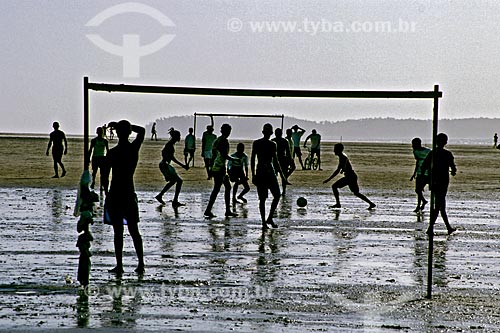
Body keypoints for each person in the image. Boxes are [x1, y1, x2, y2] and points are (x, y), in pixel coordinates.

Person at [101, 120, 145, 275]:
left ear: (118, 133)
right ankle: (141, 264)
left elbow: (105, 176)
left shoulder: (113, 153)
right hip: (128, 192)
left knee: (118, 232)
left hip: (115, 194)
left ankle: (119, 265)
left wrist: (105, 191)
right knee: (134, 230)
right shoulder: (133, 149)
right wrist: (125, 126)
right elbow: (142, 131)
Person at [252, 123, 289, 229]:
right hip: (262, 172)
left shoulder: (272, 144)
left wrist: (282, 175)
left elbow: (275, 161)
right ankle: (264, 222)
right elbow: (253, 159)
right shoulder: (257, 143)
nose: (268, 134)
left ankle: (269, 218)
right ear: (265, 132)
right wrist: (253, 174)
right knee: (263, 199)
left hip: (269, 172)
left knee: (277, 195)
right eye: (267, 132)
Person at [422, 133, 457, 235]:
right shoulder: (447, 154)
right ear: (446, 142)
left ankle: (448, 227)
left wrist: (427, 178)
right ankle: (431, 228)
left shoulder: (433, 153)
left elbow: (424, 166)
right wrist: (453, 171)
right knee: (439, 205)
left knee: (440, 205)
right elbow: (453, 168)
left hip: (434, 181)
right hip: (442, 182)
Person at [323, 143, 376, 210]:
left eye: (335, 149)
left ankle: (338, 204)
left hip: (350, 177)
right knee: (356, 193)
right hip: (351, 176)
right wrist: (343, 169)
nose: (334, 151)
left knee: (334, 186)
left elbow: (338, 170)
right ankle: (371, 204)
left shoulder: (343, 157)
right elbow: (344, 166)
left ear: (339, 150)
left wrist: (328, 179)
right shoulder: (342, 157)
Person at [204, 124, 238, 218]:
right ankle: (209, 210)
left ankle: (226, 210)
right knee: (217, 189)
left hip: (216, 167)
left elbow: (213, 155)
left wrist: (210, 168)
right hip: (219, 168)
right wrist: (234, 159)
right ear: (227, 131)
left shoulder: (217, 140)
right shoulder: (223, 141)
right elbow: (224, 155)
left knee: (226, 187)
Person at [155, 129, 189, 207]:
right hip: (165, 165)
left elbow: (164, 153)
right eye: (179, 136)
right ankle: (175, 201)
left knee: (173, 182)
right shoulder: (170, 145)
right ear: (175, 136)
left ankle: (160, 196)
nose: (180, 137)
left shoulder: (170, 144)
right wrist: (183, 166)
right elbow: (171, 157)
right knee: (179, 181)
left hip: (165, 165)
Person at [410, 137, 431, 213]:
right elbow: (417, 162)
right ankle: (419, 205)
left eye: (413, 144)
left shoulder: (428, 151)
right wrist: (414, 173)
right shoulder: (415, 151)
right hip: (419, 173)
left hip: (427, 173)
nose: (412, 146)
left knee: (419, 190)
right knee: (418, 190)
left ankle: (422, 203)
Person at [88, 126, 109, 192]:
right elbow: (90, 149)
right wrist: (88, 158)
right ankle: (93, 182)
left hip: (102, 158)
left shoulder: (105, 141)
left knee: (102, 173)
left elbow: (107, 150)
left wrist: (107, 159)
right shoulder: (94, 140)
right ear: (97, 132)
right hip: (95, 157)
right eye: (99, 132)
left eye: (101, 132)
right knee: (94, 172)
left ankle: (101, 185)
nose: (100, 133)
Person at [272, 128, 292, 195]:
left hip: (278, 160)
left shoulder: (273, 141)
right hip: (280, 160)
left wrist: (289, 160)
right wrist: (289, 160)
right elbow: (288, 153)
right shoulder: (284, 141)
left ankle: (282, 190)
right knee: (282, 176)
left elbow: (288, 152)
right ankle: (283, 191)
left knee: (279, 176)